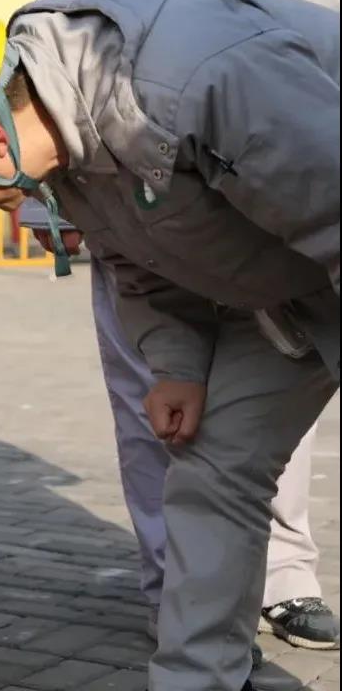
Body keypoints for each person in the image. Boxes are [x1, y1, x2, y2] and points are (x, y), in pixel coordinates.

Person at [0, 0, 340, 689]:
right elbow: (140, 260)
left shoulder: (193, 73)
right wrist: (176, 362)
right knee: (212, 472)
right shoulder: (71, 149)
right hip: (291, 280)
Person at [22, 199, 340, 653]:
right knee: (155, 404)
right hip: (128, 205)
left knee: (278, 387)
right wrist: (51, 207)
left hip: (248, 205)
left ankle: (281, 575)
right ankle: (179, 592)